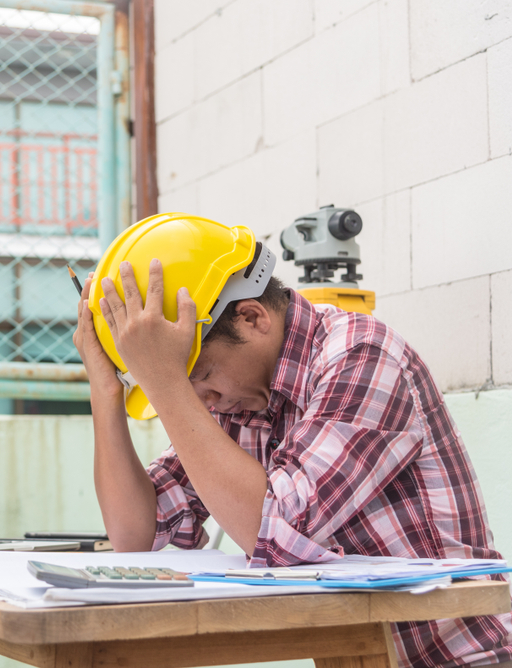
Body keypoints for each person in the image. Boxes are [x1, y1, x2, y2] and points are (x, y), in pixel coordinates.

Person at [73, 213, 511, 668]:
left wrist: (165, 381)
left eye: (200, 377)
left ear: (252, 317)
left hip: (461, 660)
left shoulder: (361, 356)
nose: (201, 401)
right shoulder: (239, 400)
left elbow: (275, 534)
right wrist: (105, 391)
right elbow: (134, 535)